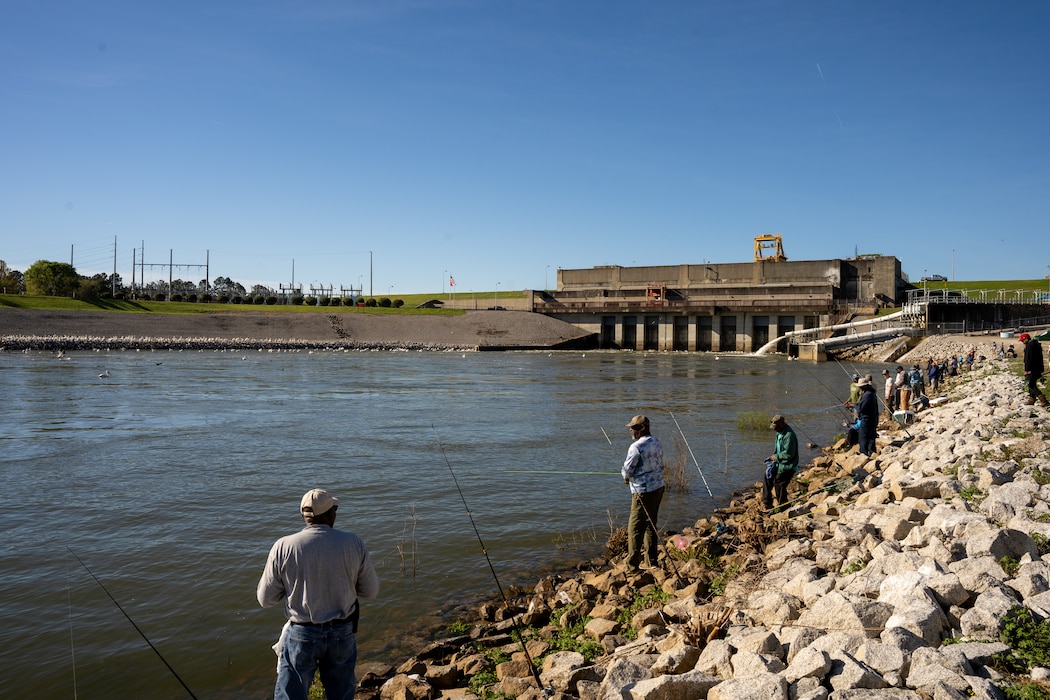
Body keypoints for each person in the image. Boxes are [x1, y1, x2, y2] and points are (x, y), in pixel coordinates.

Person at [258, 489, 380, 700]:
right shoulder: (353, 542)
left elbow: (265, 599)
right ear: (331, 514)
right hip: (342, 632)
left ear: (304, 516)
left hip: (301, 634)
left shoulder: (283, 546)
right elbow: (371, 591)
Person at [621, 415, 665, 572]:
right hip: (659, 487)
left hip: (643, 491)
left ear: (643, 428)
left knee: (635, 527)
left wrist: (625, 477)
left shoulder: (636, 447)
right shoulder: (657, 441)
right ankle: (651, 560)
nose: (631, 430)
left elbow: (627, 472)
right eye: (631, 428)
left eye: (634, 427)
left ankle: (632, 566)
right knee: (651, 523)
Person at [762, 414, 798, 510]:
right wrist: (773, 459)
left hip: (788, 465)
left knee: (779, 482)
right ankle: (766, 503)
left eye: (776, 427)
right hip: (779, 463)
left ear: (782, 424)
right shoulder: (779, 433)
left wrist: (776, 457)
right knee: (767, 477)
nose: (775, 429)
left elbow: (789, 455)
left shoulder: (789, 436)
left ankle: (784, 507)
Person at [1020, 333, 1049, 407]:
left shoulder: (1029, 346)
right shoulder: (1036, 345)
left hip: (1032, 369)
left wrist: (1027, 370)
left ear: (1026, 339)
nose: (1022, 342)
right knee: (1031, 383)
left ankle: (1043, 400)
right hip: (1038, 368)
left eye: (1022, 340)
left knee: (1031, 384)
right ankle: (1031, 399)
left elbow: (1028, 359)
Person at [854, 374, 880, 457]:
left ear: (863, 386)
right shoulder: (871, 393)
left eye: (860, 386)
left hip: (867, 419)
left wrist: (855, 406)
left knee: (863, 436)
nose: (859, 387)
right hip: (872, 418)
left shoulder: (867, 394)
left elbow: (862, 407)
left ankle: (864, 454)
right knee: (871, 436)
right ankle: (871, 452)